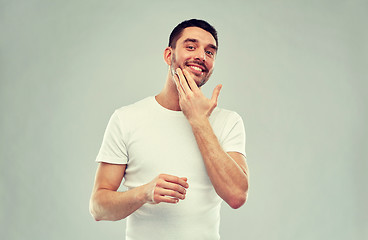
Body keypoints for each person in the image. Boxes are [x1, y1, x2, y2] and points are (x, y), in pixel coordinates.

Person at [89, 19, 249, 240]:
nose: (201, 56)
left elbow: (237, 195)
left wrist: (199, 121)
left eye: (210, 52)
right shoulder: (126, 118)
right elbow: (98, 207)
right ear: (168, 55)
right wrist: (143, 193)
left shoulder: (228, 121)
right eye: (191, 47)